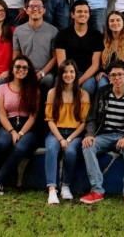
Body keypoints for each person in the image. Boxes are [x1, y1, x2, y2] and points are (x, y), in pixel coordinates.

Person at [80, 61, 124, 206]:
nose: (117, 78)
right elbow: (92, 118)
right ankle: (97, 191)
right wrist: (90, 134)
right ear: (109, 77)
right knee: (87, 146)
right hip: (104, 135)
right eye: (113, 75)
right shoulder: (102, 92)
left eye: (120, 75)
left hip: (122, 136)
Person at [0, 55, 40, 196]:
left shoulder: (34, 89)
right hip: (8, 124)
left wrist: (21, 133)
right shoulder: (2, 88)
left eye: (25, 67)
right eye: (17, 66)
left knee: (20, 147)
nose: (21, 70)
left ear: (28, 70)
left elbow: (33, 116)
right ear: (12, 69)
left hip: (28, 127)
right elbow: (1, 115)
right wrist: (12, 131)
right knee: (1, 143)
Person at [44, 60, 91, 204]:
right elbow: (50, 120)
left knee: (71, 152)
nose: (68, 75)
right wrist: (60, 139)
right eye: (65, 72)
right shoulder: (52, 93)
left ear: (76, 74)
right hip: (56, 132)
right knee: (51, 149)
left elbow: (84, 123)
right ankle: (52, 189)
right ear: (60, 74)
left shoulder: (83, 94)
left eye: (71, 72)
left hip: (74, 133)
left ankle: (65, 185)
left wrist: (69, 139)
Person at [54, 0, 103, 97]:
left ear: (89, 15)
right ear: (72, 15)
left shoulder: (96, 35)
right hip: (67, 73)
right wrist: (70, 77)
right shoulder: (62, 35)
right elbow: (61, 63)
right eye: (79, 12)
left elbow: (95, 65)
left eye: (86, 12)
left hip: (87, 74)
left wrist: (79, 81)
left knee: (87, 88)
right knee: (58, 89)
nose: (83, 14)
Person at [12, 0, 58, 94]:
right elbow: (16, 54)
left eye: (39, 6)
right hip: (24, 70)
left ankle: (42, 109)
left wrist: (41, 73)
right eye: (32, 6)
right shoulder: (18, 31)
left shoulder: (53, 31)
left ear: (44, 10)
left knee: (47, 81)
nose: (36, 9)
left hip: (45, 72)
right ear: (26, 10)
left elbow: (55, 57)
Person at [96, 11, 124, 89]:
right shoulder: (103, 39)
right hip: (105, 74)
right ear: (108, 24)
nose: (115, 23)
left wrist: (114, 75)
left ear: (123, 22)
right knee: (102, 84)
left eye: (118, 20)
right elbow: (99, 62)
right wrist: (106, 74)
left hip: (123, 74)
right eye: (111, 21)